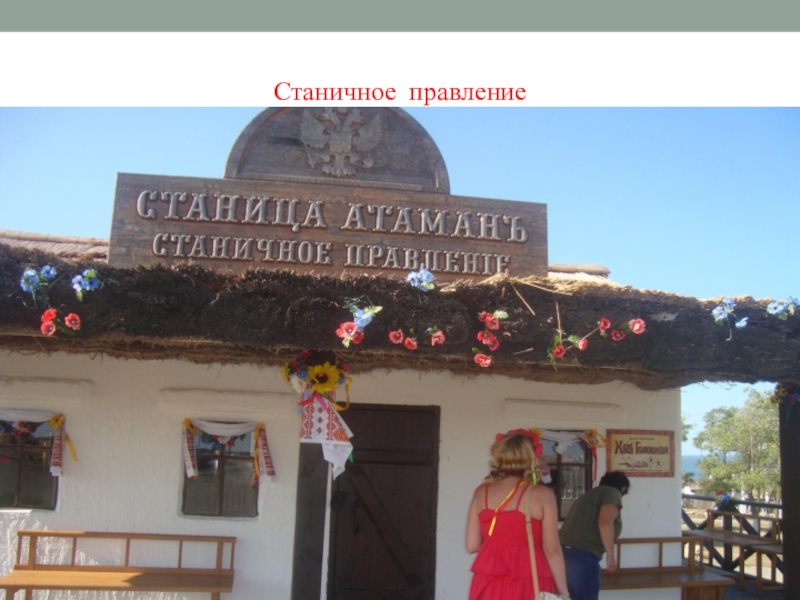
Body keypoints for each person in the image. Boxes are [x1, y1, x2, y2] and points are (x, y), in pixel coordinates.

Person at [467, 430, 570, 600]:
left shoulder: (481, 492)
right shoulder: (542, 494)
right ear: (531, 458)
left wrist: (500, 545)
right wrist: (564, 593)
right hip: (530, 579)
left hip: (488, 582)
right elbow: (552, 550)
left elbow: (472, 545)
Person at [558, 470, 630, 600]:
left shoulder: (590, 495)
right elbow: (605, 521)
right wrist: (610, 555)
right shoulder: (612, 492)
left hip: (566, 551)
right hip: (582, 555)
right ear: (623, 488)